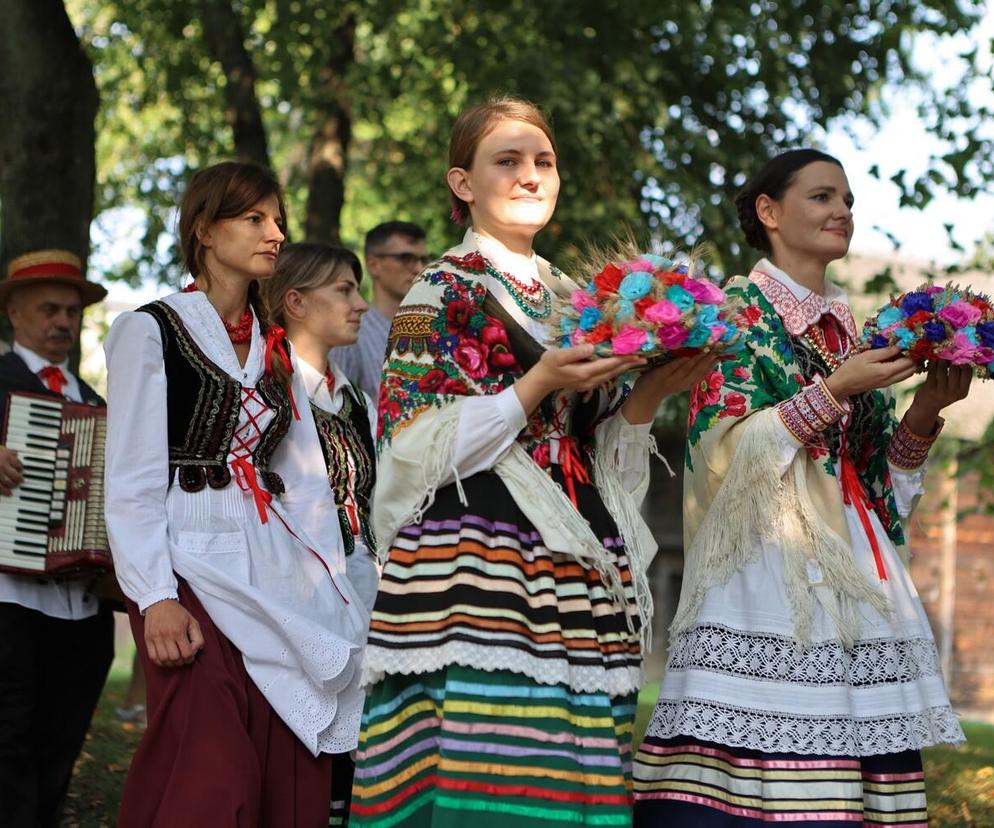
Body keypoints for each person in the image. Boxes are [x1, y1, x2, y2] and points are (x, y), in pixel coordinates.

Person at [349, 96, 715, 827]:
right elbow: (412, 442)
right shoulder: (441, 290)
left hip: (575, 558)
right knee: (492, 773)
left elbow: (593, 443)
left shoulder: (573, 298)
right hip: (474, 559)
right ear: (463, 183)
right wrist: (536, 383)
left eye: (542, 161)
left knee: (569, 773)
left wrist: (647, 395)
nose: (529, 175)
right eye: (507, 161)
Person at [632, 149, 971, 826]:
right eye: (821, 197)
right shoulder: (737, 312)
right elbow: (721, 453)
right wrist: (835, 389)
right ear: (769, 212)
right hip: (762, 569)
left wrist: (930, 408)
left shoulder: (850, 328)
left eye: (847, 200)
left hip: (851, 571)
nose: (841, 211)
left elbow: (874, 481)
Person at [103, 162, 370, 827]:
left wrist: (334, 587)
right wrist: (155, 597)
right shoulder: (153, 330)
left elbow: (305, 477)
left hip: (272, 562)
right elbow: (133, 476)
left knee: (288, 755)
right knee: (210, 762)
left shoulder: (277, 348)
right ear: (204, 230)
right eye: (254, 218)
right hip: (187, 557)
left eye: (277, 219)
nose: (274, 233)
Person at [260, 242, 380, 827]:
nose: (360, 305)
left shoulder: (355, 401)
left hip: (360, 592)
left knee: (353, 763)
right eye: (344, 290)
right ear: (295, 302)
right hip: (292, 600)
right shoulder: (266, 394)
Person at [0, 250, 115, 828]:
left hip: (83, 603)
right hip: (10, 600)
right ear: (14, 312)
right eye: (49, 308)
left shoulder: (95, 403)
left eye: (72, 311)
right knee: (9, 732)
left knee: (63, 733)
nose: (64, 322)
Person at [334, 220, 427, 399]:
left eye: (423, 259)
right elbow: (336, 410)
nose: (419, 268)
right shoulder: (352, 332)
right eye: (406, 258)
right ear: (374, 265)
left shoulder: (437, 330)